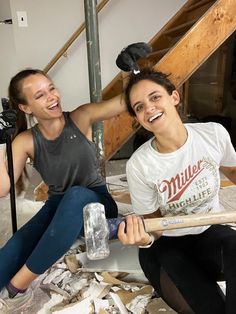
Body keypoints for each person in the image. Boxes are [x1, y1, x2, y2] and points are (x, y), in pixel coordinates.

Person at [0, 68, 126, 313]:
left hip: (96, 204)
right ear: (25, 108)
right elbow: (3, 189)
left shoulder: (80, 117)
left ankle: (17, 289)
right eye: (40, 95)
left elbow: (123, 102)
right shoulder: (25, 140)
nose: (52, 96)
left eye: (51, 88)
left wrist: (131, 71)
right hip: (57, 206)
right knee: (16, 246)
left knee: (76, 195)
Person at [118, 67, 236, 314]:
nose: (148, 108)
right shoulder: (140, 165)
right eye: (139, 107)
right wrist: (143, 237)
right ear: (138, 118)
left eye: (155, 97)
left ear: (174, 97)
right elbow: (154, 228)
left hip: (209, 234)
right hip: (166, 247)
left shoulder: (213, 134)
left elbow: (233, 172)